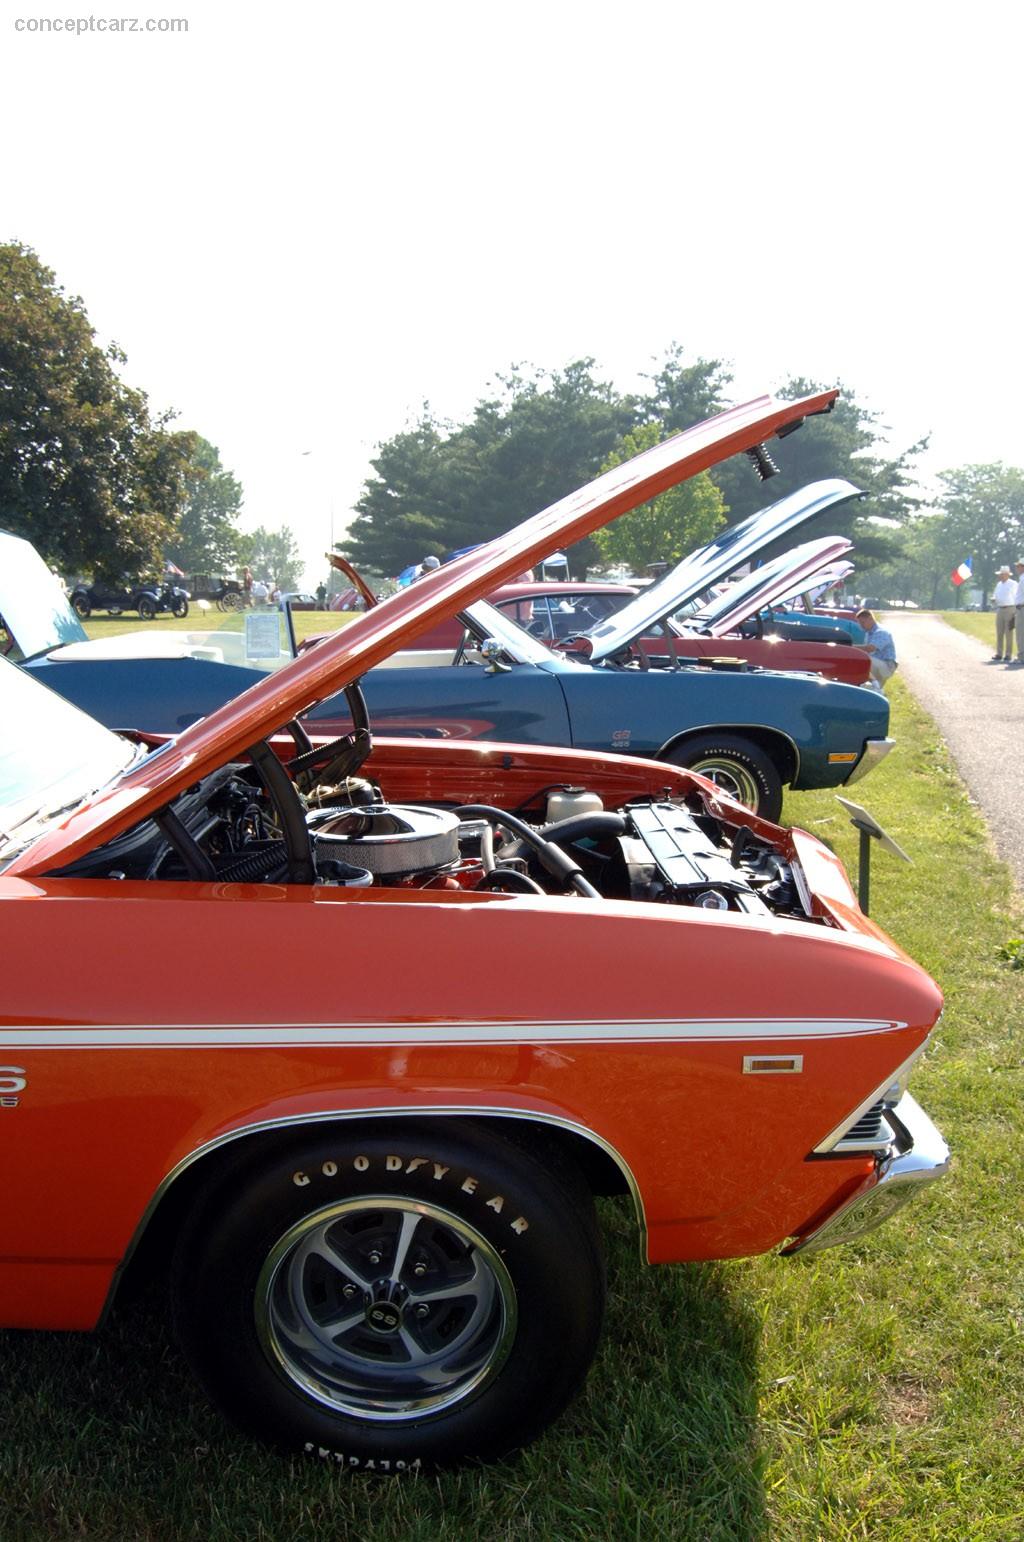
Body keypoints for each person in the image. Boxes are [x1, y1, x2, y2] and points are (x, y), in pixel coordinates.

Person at [855, 608, 898, 689]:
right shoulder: (869, 633)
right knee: (873, 689)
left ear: (870, 619)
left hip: (887, 666)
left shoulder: (881, 632)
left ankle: (874, 685)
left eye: (863, 622)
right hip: (879, 664)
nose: (861, 625)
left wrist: (850, 647)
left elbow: (870, 648)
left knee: (862, 661)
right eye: (860, 623)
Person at [992, 565, 1017, 661]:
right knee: (999, 632)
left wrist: (1015, 612)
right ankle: (999, 653)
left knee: (1008, 632)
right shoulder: (999, 584)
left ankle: (1008, 654)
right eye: (1000, 574)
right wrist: (994, 599)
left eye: (1002, 574)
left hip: (1010, 609)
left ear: (1007, 575)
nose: (1000, 576)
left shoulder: (1013, 584)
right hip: (1000, 609)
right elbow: (995, 594)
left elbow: (1016, 597)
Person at [1010, 560, 1024, 668]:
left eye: (1019, 566)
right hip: (1020, 607)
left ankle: (1021, 657)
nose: (1017, 568)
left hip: (1022, 608)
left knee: (1020, 634)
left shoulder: (1023, 579)